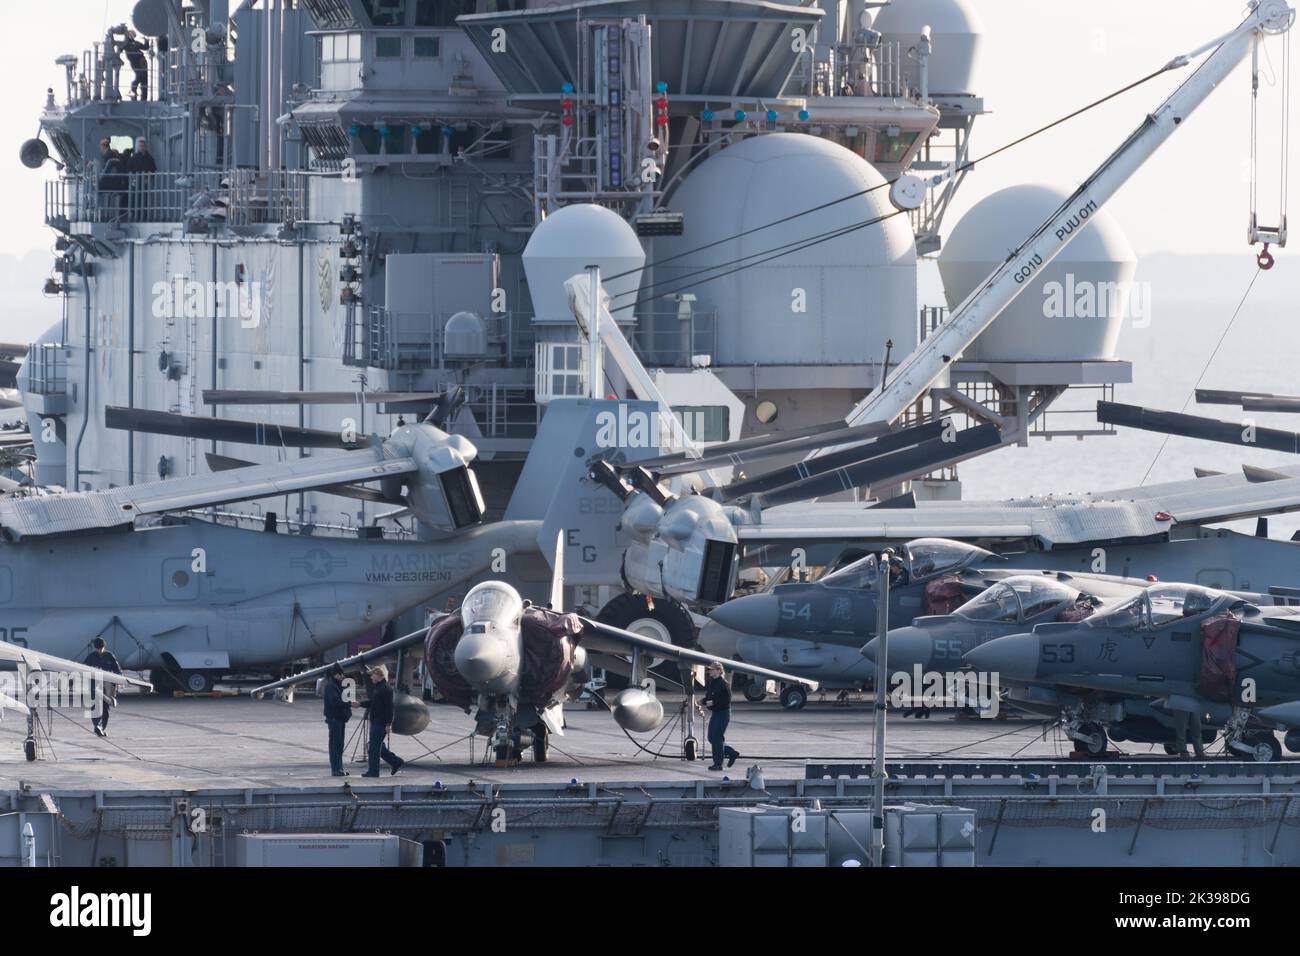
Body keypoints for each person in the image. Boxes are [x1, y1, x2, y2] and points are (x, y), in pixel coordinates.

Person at [361, 664, 404, 777]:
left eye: (373, 675)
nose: (371, 678)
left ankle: (373, 771)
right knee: (378, 746)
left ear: (379, 675)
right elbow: (373, 703)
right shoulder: (379, 688)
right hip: (376, 721)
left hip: (380, 723)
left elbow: (389, 708)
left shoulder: (386, 689)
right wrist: (360, 704)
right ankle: (396, 761)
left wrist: (388, 723)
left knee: (374, 748)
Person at [83, 638, 123, 738]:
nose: (99, 650)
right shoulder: (91, 657)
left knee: (105, 709)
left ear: (104, 647)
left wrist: (119, 681)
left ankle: (101, 728)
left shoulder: (110, 656)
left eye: (100, 648)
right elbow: (83, 669)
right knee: (96, 707)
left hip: (108, 686)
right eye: (98, 648)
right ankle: (97, 726)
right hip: (95, 685)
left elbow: (117, 670)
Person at [703, 661, 739, 771]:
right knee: (711, 737)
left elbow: (727, 700)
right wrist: (702, 701)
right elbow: (709, 697)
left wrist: (713, 703)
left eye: (713, 669)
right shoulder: (712, 682)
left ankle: (718, 763)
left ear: (719, 671)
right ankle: (731, 752)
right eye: (710, 669)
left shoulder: (724, 683)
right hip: (716, 713)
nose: (710, 671)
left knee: (717, 738)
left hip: (723, 713)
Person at [323, 664, 352, 776]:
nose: (343, 676)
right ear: (336, 674)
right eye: (341, 674)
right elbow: (334, 703)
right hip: (335, 719)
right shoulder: (331, 686)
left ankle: (339, 768)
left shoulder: (338, 685)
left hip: (340, 719)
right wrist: (348, 703)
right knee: (335, 745)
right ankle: (336, 769)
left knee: (339, 745)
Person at [122, 30, 150, 101]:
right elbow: (120, 48)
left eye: (134, 34)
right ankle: (133, 90)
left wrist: (146, 41)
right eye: (131, 34)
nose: (133, 35)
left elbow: (145, 47)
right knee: (140, 76)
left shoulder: (135, 43)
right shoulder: (125, 43)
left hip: (142, 61)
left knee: (144, 79)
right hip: (134, 62)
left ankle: (144, 97)